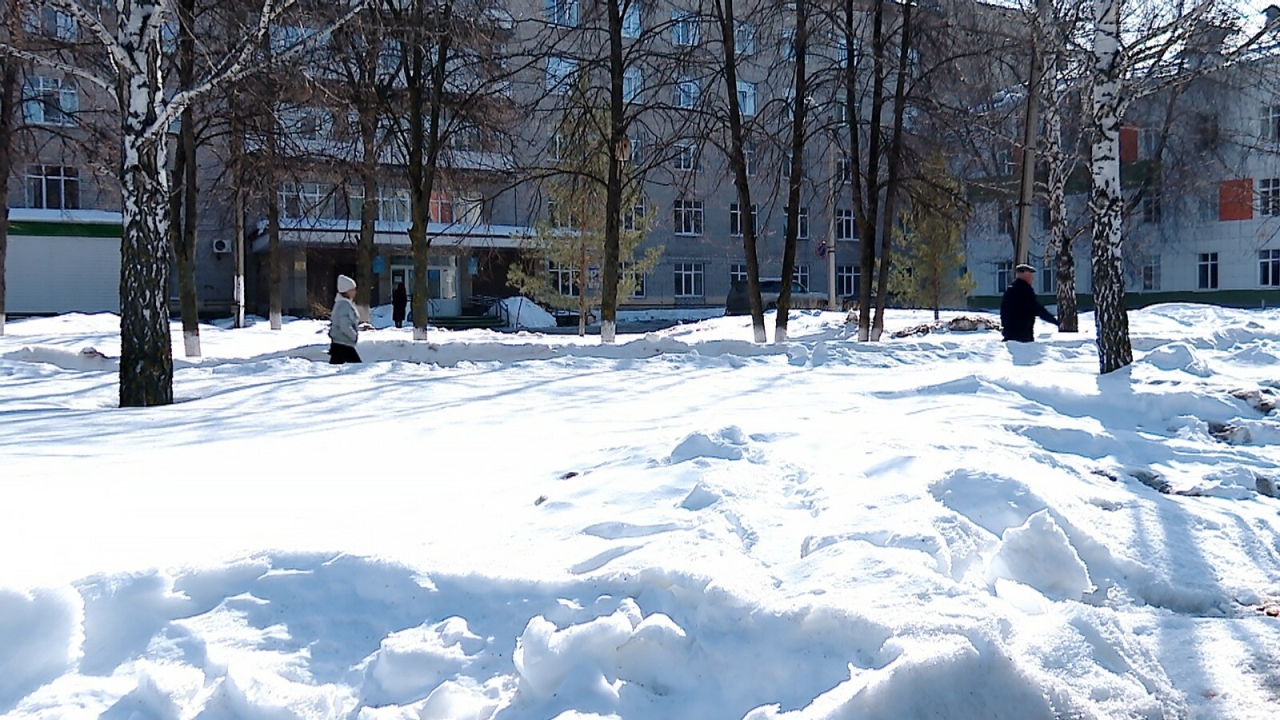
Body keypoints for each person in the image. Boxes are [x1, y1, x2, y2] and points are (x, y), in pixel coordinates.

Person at [1000, 263, 1058, 342]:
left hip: (1009, 334)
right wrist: (1055, 321)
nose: (1032, 279)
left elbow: (1003, 312)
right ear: (1023, 275)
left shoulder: (1010, 291)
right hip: (1022, 336)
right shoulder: (1025, 291)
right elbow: (1036, 309)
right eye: (1030, 275)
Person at [328, 274, 362, 363]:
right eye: (353, 290)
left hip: (341, 343)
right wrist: (353, 336)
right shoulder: (344, 305)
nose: (355, 292)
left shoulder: (342, 303)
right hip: (343, 343)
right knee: (358, 369)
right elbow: (344, 325)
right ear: (346, 291)